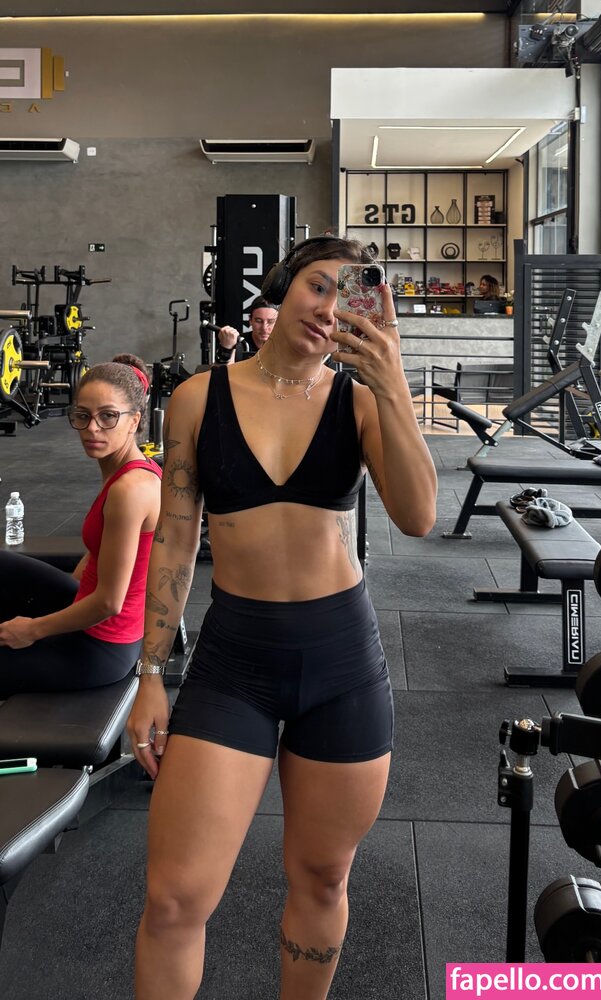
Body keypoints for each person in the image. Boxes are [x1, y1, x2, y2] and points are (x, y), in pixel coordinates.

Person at [127, 235, 437, 1000]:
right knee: (173, 898)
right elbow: (174, 539)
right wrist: (150, 674)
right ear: (284, 288)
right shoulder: (199, 397)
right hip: (235, 659)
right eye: (318, 286)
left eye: (349, 298)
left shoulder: (358, 401)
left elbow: (419, 516)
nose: (328, 309)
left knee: (323, 877)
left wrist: (392, 381)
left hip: (340, 660)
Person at [0, 354, 162, 697]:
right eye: (83, 415)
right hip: (86, 609)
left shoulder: (131, 490)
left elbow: (109, 603)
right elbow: (98, 552)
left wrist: (32, 629)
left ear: (134, 421)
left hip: (99, 647)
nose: (92, 428)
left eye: (108, 416)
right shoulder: (124, 469)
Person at [214, 294, 278, 364]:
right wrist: (226, 348)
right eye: (258, 321)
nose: (264, 328)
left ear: (279, 322)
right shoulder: (238, 343)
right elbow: (222, 370)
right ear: (250, 320)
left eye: (271, 322)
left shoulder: (284, 344)